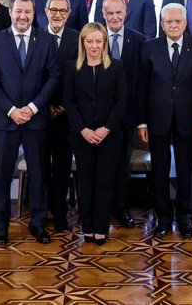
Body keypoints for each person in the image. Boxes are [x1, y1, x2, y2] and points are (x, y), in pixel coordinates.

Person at [0, 0, 59, 246]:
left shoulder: (47, 41)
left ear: (33, 13)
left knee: (39, 175)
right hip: (5, 121)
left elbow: (53, 78)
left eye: (27, 12)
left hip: (36, 121)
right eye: (18, 11)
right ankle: (2, 226)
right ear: (10, 12)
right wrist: (12, 110)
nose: (23, 16)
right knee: (3, 175)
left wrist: (32, 107)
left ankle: (38, 225)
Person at [138, 3, 192, 239]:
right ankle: (163, 218)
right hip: (157, 119)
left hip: (188, 119)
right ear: (162, 24)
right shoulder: (150, 47)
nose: (173, 25)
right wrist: (142, 122)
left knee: (185, 170)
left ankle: (185, 219)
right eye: (168, 21)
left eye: (178, 21)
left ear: (185, 23)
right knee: (159, 170)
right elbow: (142, 88)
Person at [63, 23, 126, 245]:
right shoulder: (72, 68)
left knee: (104, 181)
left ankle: (101, 228)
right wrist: (84, 129)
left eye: (98, 41)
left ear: (105, 43)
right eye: (89, 41)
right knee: (86, 182)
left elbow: (121, 101)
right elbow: (68, 101)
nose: (94, 46)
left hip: (109, 135)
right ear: (83, 43)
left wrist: (106, 128)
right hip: (82, 136)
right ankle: (87, 228)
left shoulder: (116, 67)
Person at [101, 0, 145, 229]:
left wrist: (140, 120)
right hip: (98, 118)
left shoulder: (139, 41)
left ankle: (120, 208)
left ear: (125, 13)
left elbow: (141, 82)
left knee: (121, 167)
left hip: (126, 117)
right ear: (103, 14)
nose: (115, 17)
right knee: (101, 166)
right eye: (110, 13)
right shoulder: (94, 39)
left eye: (119, 12)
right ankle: (100, 209)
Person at [44, 0, 79, 232]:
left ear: (69, 13)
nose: (57, 15)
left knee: (63, 166)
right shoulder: (35, 36)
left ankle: (59, 212)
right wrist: (44, 106)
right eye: (53, 10)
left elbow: (80, 78)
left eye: (62, 11)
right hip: (40, 113)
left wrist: (64, 106)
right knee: (40, 164)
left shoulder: (78, 39)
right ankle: (40, 208)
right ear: (46, 11)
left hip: (67, 115)